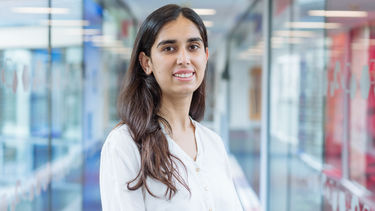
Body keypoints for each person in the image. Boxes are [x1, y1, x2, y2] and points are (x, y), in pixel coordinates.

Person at [100, 4, 243, 211]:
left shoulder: (214, 144)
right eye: (169, 48)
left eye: (193, 47)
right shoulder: (124, 145)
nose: (184, 59)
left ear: (205, 56)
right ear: (146, 62)